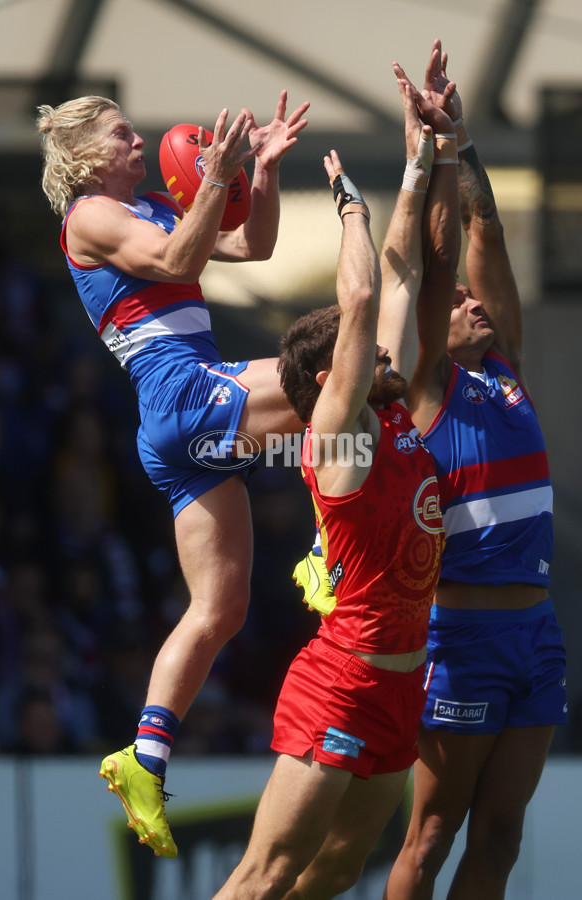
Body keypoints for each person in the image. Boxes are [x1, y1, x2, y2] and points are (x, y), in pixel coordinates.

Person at [37, 89, 309, 858]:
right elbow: (175, 260)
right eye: (122, 132)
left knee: (218, 609)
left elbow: (252, 249)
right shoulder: (90, 216)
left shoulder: (157, 201)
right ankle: (335, 549)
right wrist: (217, 179)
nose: (139, 138)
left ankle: (144, 757)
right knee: (335, 382)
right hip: (181, 389)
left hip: (176, 421)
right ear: (88, 153)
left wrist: (262, 173)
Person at [211, 77, 454, 900]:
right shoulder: (339, 435)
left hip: (401, 682)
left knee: (341, 869)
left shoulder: (385, 418)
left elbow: (398, 275)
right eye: (368, 358)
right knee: (265, 876)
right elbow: (360, 298)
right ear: (329, 380)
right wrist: (348, 204)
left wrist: (421, 157)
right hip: (344, 682)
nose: (390, 359)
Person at [379, 42, 568, 900]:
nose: (471, 304)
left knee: (501, 839)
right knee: (429, 836)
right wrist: (429, 158)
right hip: (461, 644)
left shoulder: (509, 370)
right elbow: (442, 258)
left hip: (538, 634)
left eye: (474, 302)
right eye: (457, 304)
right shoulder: (427, 386)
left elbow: (486, 233)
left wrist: (466, 142)